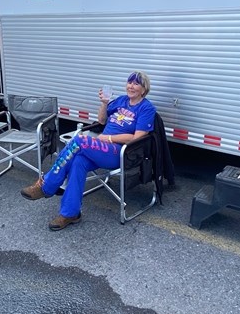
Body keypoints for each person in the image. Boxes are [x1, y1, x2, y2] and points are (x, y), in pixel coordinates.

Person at [21, 71, 156, 230]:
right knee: (79, 162)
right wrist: (105, 103)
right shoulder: (120, 101)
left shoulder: (146, 108)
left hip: (119, 152)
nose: (131, 86)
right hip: (102, 148)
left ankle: (47, 185)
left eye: (136, 83)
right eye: (129, 82)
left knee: (79, 140)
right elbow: (101, 120)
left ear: (143, 89)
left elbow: (137, 137)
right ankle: (70, 213)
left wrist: (109, 139)